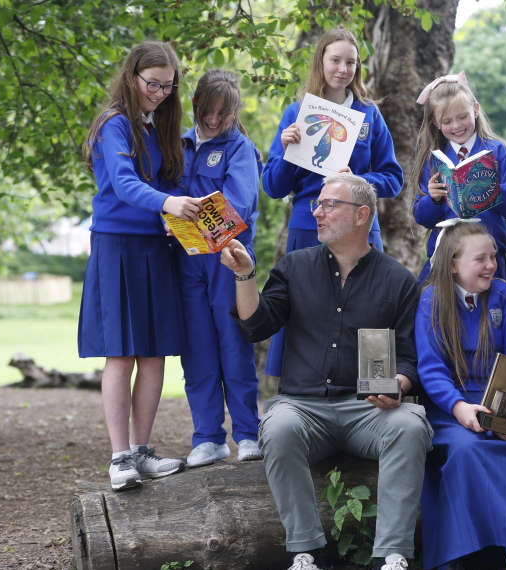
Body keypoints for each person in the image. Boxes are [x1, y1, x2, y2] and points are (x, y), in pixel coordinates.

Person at [220, 174, 430, 570]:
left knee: (411, 425)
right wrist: (245, 274)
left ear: (362, 215)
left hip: (369, 411)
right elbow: (255, 326)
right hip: (303, 409)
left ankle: (391, 555)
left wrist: (397, 385)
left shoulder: (399, 281)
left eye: (329, 204)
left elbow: (410, 359)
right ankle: (306, 552)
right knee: (277, 427)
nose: (317, 212)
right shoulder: (294, 267)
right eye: (317, 204)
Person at [78, 40, 198, 492]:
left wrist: (173, 213)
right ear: (132, 78)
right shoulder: (114, 125)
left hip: (155, 247)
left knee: (153, 352)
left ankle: (142, 451)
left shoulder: (159, 125)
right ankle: (119, 458)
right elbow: (125, 184)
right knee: (121, 352)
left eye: (168, 86)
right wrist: (168, 203)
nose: (161, 93)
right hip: (117, 247)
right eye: (153, 84)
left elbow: (169, 181)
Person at [262, 27, 404, 378]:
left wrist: (360, 180)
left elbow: (393, 178)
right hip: (309, 228)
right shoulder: (296, 113)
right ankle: (301, 393)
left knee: (368, 309)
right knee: (305, 312)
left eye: (351, 62)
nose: (343, 69)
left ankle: (372, 389)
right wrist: (287, 152)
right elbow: (273, 187)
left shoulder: (369, 115)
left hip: (359, 227)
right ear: (320, 62)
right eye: (335, 60)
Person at [415, 220, 506, 570]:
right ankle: (459, 556)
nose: (491, 265)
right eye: (480, 259)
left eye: (494, 256)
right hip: (450, 408)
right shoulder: (431, 300)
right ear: (453, 264)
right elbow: (431, 368)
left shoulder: (504, 295)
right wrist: (458, 408)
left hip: (502, 402)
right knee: (466, 449)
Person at [174, 69, 263, 467]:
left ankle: (247, 433)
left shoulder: (241, 149)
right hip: (185, 259)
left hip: (229, 259)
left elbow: (238, 206)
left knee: (233, 344)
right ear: (195, 105)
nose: (212, 120)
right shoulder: (177, 144)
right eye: (206, 111)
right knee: (196, 348)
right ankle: (208, 437)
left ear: (234, 112)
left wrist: (188, 220)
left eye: (222, 114)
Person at [411, 73, 506, 282]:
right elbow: (421, 218)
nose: (456, 126)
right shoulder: (433, 160)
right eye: (447, 121)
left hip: (489, 258)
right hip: (447, 260)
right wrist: (433, 199)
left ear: (475, 109)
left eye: (462, 117)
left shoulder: (496, 151)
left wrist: (494, 190)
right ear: (436, 122)